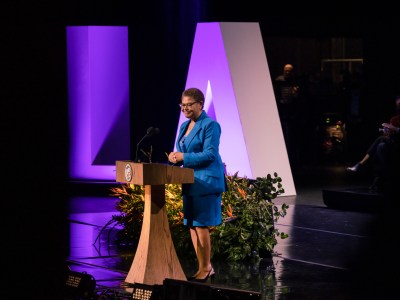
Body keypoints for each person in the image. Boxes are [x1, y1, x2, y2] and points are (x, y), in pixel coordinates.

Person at [168, 87, 227, 283]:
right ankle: (202, 267)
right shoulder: (185, 126)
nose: (185, 108)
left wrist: (183, 156)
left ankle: (206, 267)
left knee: (201, 226)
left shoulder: (210, 125)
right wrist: (175, 157)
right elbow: (184, 150)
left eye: (188, 105)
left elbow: (210, 154)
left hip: (206, 181)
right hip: (191, 180)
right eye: (182, 105)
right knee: (192, 226)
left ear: (200, 104)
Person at [346, 95, 400, 189]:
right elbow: (390, 136)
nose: (399, 105)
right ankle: (380, 177)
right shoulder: (394, 119)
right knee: (380, 145)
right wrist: (387, 131)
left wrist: (394, 128)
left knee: (380, 140)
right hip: (393, 143)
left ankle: (360, 165)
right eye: (398, 104)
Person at [273, 64, 300, 166]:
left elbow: (297, 95)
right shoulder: (279, 80)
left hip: (292, 109)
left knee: (292, 134)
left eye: (289, 71)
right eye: (286, 70)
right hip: (282, 108)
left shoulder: (295, 81)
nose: (287, 72)